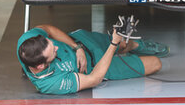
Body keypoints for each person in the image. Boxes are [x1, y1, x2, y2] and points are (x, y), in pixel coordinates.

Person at [17, 24, 169, 94]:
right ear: (41, 66)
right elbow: (94, 79)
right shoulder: (51, 83)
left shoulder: (27, 42)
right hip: (98, 67)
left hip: (82, 42)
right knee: (156, 64)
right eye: (53, 52)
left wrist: (77, 47)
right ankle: (118, 48)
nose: (56, 47)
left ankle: (137, 45)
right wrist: (113, 44)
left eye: (52, 44)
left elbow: (48, 29)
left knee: (124, 44)